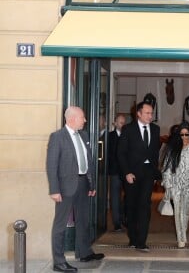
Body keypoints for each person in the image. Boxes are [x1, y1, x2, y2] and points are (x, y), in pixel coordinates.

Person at [46, 106, 105, 273]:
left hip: (83, 184)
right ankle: (59, 262)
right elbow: (51, 165)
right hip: (65, 188)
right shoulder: (58, 137)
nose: (85, 121)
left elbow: (89, 161)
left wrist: (91, 184)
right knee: (60, 225)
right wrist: (54, 189)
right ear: (71, 119)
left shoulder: (83, 135)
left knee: (83, 220)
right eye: (83, 118)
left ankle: (84, 252)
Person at [117, 101, 160, 252]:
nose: (150, 116)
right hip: (132, 174)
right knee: (131, 206)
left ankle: (142, 241)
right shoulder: (128, 129)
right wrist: (127, 172)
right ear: (139, 113)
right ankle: (133, 239)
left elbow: (155, 153)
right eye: (147, 113)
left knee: (144, 206)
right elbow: (121, 153)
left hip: (148, 173)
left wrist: (155, 173)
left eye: (151, 113)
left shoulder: (156, 129)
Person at [161, 121, 189, 248]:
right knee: (178, 211)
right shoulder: (172, 147)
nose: (184, 137)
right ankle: (181, 238)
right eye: (182, 135)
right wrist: (168, 184)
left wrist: (188, 149)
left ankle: (183, 232)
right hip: (176, 184)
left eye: (187, 134)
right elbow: (166, 167)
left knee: (186, 211)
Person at [108, 113, 126, 231]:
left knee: (127, 197)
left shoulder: (128, 135)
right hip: (115, 171)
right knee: (115, 197)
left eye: (124, 122)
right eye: (120, 122)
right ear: (115, 123)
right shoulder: (109, 136)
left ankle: (125, 220)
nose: (122, 124)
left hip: (126, 172)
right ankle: (117, 223)